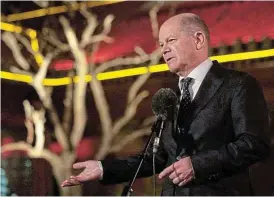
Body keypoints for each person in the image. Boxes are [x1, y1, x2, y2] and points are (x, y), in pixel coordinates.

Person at [61, 13, 270, 195]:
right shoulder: (171, 97)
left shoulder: (238, 84)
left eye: (171, 40)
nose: (164, 50)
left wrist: (197, 165)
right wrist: (104, 168)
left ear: (198, 40)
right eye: (161, 44)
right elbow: (158, 157)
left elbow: (254, 144)